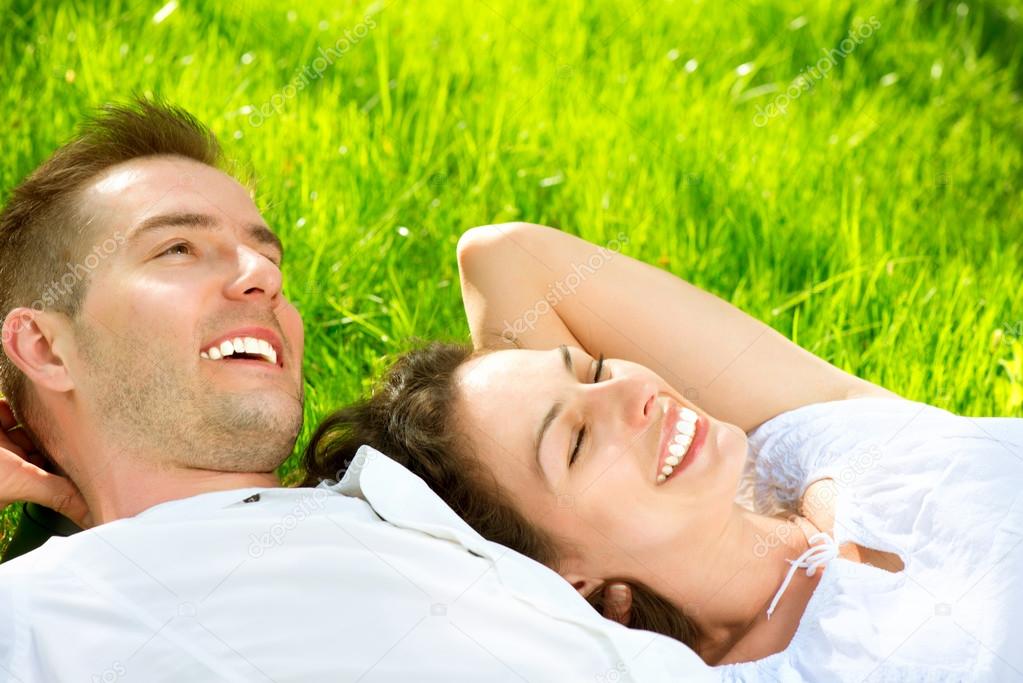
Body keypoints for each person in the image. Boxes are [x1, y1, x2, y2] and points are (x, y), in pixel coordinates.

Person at [0, 98, 705, 682]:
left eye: (267, 255)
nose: (260, 275)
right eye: (177, 248)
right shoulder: (44, 611)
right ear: (43, 346)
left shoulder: (428, 495)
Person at [302, 222, 1023, 679]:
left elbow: (504, 256)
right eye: (579, 441)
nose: (631, 395)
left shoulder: (811, 438)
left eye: (588, 368)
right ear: (564, 579)